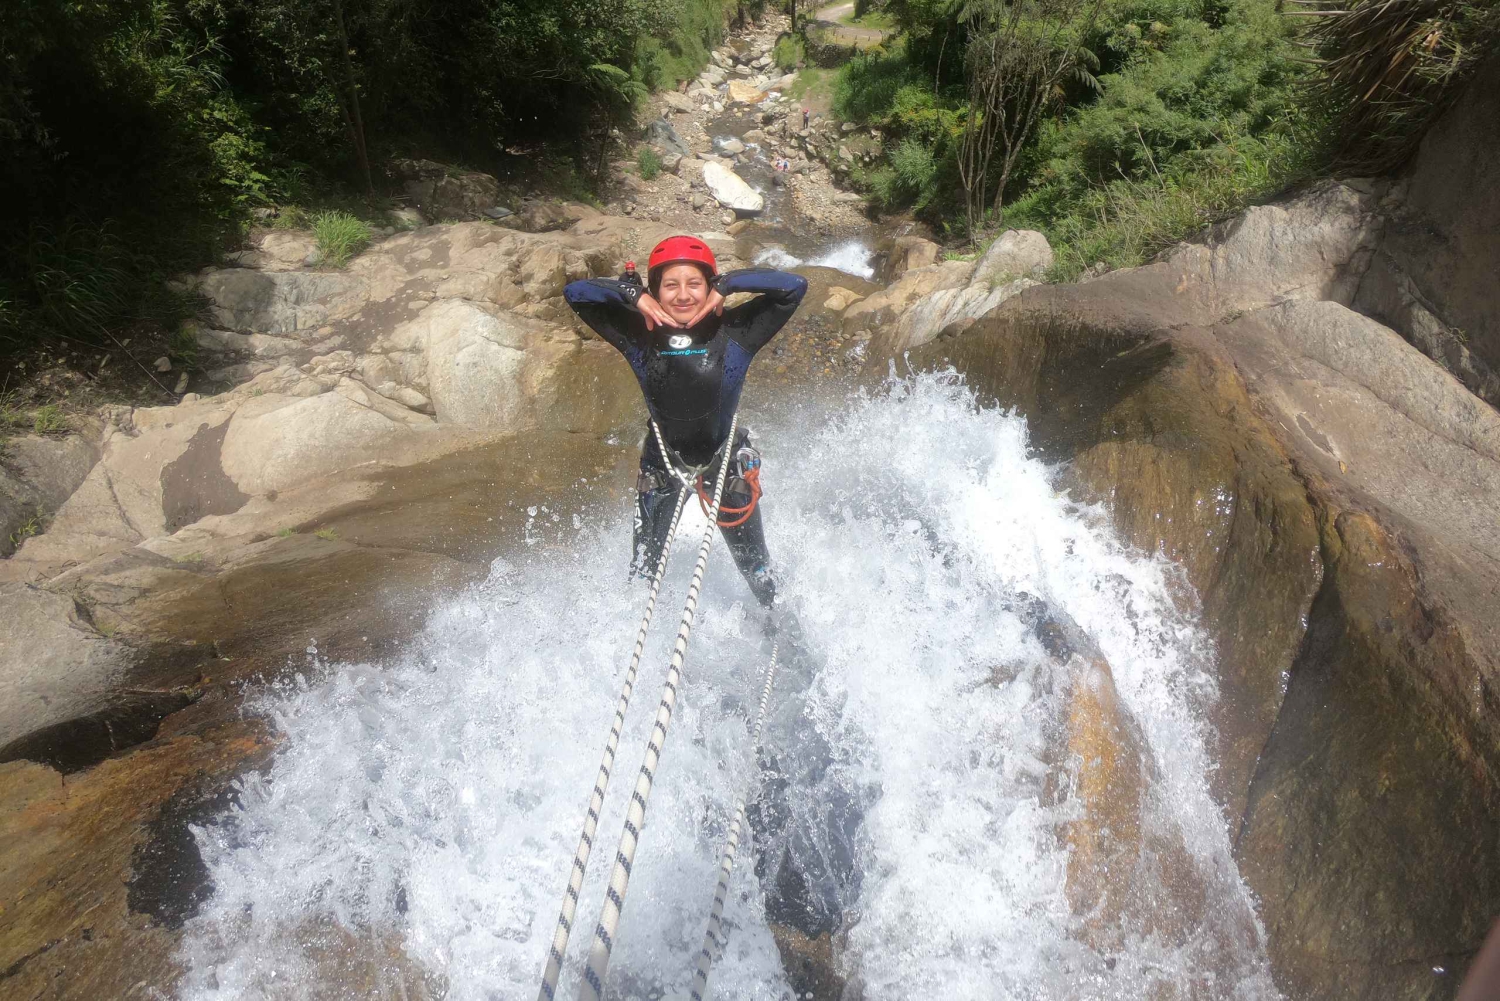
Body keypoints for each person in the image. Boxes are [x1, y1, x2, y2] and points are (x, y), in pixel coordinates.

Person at [563, 236, 807, 610]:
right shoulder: (638, 334)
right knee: (643, 574)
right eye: (670, 285)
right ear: (655, 291)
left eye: (694, 283)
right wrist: (632, 294)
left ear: (709, 287)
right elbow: (576, 294)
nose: (682, 295)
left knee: (759, 574)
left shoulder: (737, 330)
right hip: (662, 465)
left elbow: (793, 288)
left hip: (724, 463)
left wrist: (729, 284)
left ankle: (780, 628)